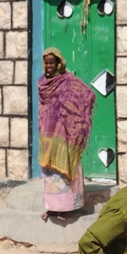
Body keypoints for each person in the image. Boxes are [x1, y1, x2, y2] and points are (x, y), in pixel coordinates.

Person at [38, 47, 96, 222]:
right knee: (50, 172)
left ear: (58, 63)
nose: (49, 66)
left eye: (52, 63)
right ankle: (51, 208)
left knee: (64, 169)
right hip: (47, 131)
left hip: (64, 132)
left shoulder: (67, 80)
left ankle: (65, 209)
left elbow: (87, 94)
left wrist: (72, 116)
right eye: (46, 63)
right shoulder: (42, 82)